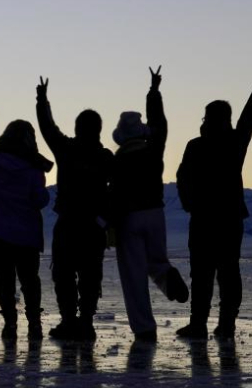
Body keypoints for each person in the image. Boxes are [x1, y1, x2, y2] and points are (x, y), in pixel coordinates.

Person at [176, 63, 252, 340]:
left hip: (207, 219)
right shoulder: (232, 141)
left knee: (205, 273)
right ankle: (223, 324)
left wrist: (188, 203)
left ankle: (201, 324)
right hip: (227, 219)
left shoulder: (198, 145)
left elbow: (182, 177)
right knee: (226, 272)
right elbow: (248, 121)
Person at [109, 66, 189, 342]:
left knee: (133, 275)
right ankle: (168, 277)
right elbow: (161, 123)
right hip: (156, 213)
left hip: (130, 217)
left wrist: (107, 223)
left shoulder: (118, 160)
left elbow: (115, 195)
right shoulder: (154, 149)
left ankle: (144, 328)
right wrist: (154, 92)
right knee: (157, 260)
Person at [0, 87, 54, 340]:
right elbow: (40, 200)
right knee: (30, 280)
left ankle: (10, 323)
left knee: (4, 280)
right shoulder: (32, 171)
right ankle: (35, 323)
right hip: (26, 237)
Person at [35, 77, 113, 340]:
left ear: (79, 128)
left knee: (66, 275)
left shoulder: (68, 149)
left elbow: (48, 128)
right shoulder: (104, 157)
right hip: (91, 227)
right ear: (99, 130)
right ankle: (83, 322)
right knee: (88, 276)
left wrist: (42, 100)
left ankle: (73, 321)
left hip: (72, 225)